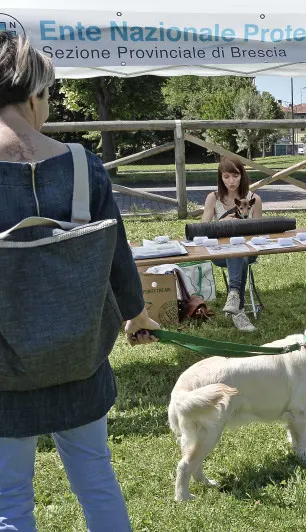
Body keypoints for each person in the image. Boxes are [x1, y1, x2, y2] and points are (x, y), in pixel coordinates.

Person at [0, 34, 160, 530]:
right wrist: (137, 314)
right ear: (33, 97)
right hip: (80, 357)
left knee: (9, 501)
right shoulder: (81, 165)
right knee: (95, 477)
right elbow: (117, 255)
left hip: (4, 367)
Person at [201, 157, 263, 332]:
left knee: (239, 252)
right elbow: (202, 230)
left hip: (248, 250)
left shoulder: (254, 199)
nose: (231, 181)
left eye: (235, 175)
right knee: (235, 253)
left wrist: (243, 226)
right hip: (220, 252)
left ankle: (234, 298)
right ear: (220, 178)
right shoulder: (213, 198)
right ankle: (238, 308)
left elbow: (259, 233)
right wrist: (221, 223)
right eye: (226, 176)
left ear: (242, 175)